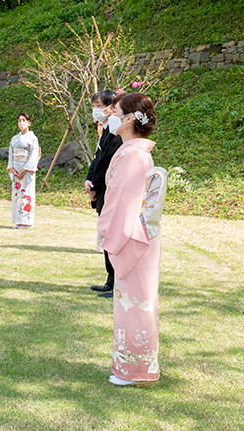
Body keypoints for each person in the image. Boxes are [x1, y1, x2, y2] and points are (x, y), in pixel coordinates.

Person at [97, 92, 167, 386]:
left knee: (135, 305)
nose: (110, 115)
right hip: (140, 235)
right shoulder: (135, 152)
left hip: (134, 236)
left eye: (116, 111)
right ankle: (135, 367)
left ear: (128, 120)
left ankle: (135, 371)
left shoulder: (131, 154)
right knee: (137, 303)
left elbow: (122, 201)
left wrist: (105, 230)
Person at [85, 90, 124, 298]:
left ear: (111, 107)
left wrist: (96, 185)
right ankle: (110, 279)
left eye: (98, 105)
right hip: (100, 190)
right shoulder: (106, 129)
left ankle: (117, 281)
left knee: (113, 236)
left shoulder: (117, 132)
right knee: (106, 237)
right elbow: (96, 160)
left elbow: (108, 163)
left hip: (109, 190)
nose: (95, 110)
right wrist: (89, 181)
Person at [6, 112, 40, 228]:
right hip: (15, 169)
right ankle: (19, 221)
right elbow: (10, 154)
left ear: (29, 123)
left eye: (24, 120)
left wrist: (24, 170)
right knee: (17, 196)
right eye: (19, 120)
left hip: (25, 170)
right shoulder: (14, 139)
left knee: (26, 194)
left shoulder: (33, 138)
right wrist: (12, 169)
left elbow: (34, 155)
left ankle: (27, 222)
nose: (21, 123)